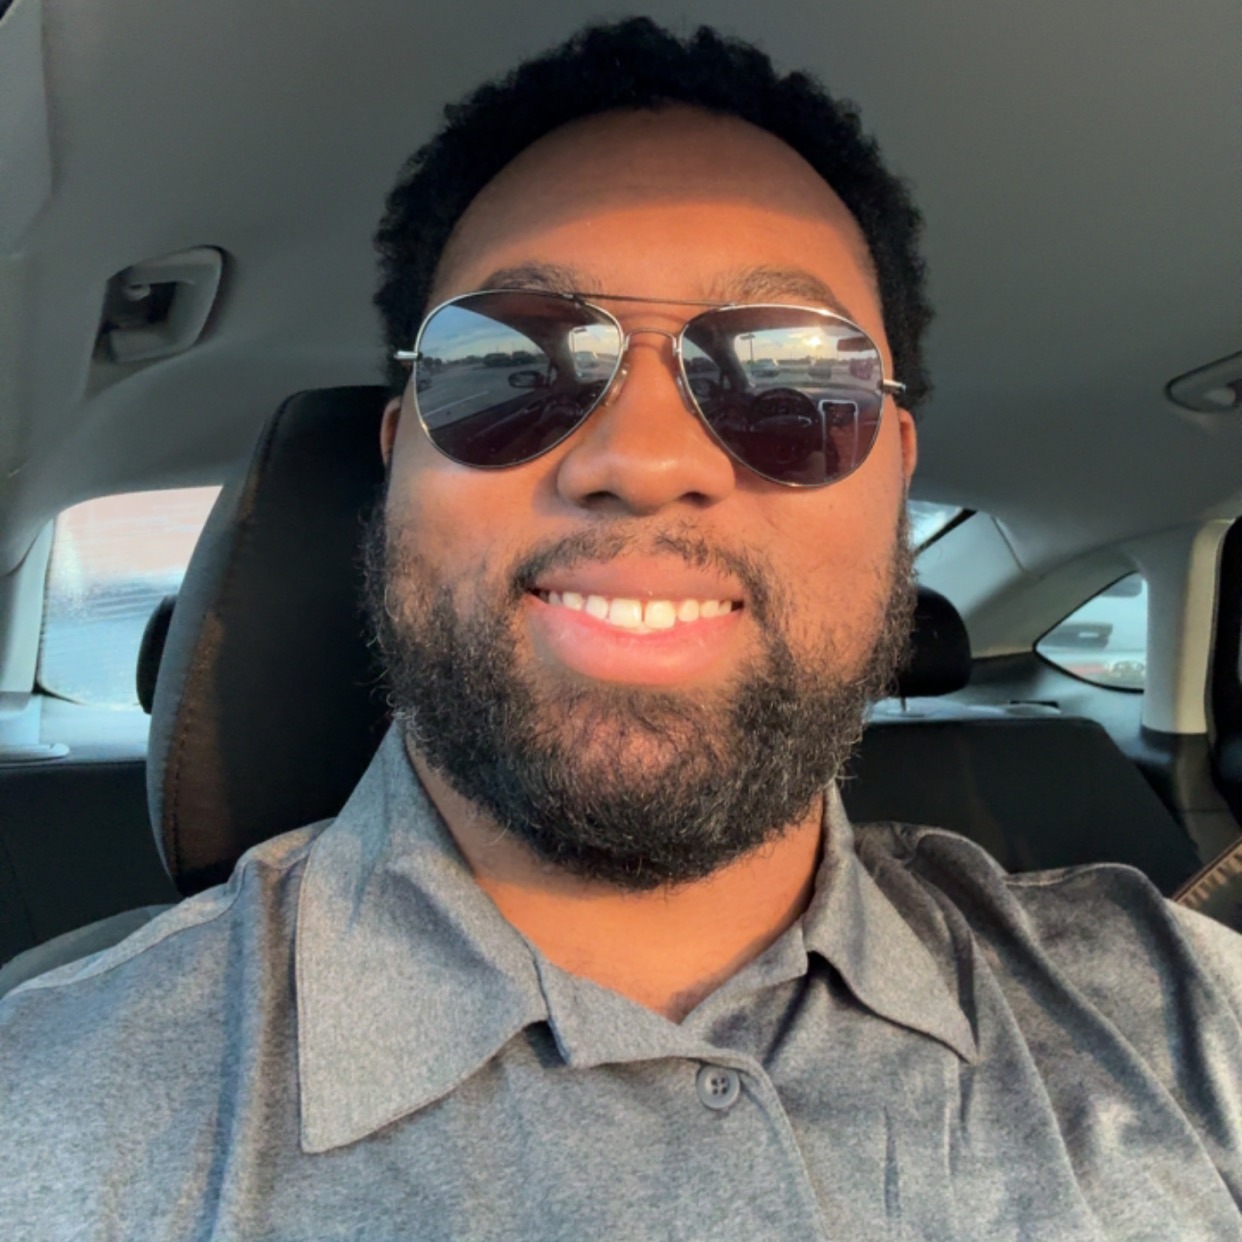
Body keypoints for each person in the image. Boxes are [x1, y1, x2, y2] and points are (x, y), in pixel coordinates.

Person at [2, 18, 1241, 1240]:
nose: (642, 461)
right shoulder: (51, 1118)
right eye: (514, 363)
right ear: (397, 470)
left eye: (789, 379)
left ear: (894, 477)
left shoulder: (1180, 1018)